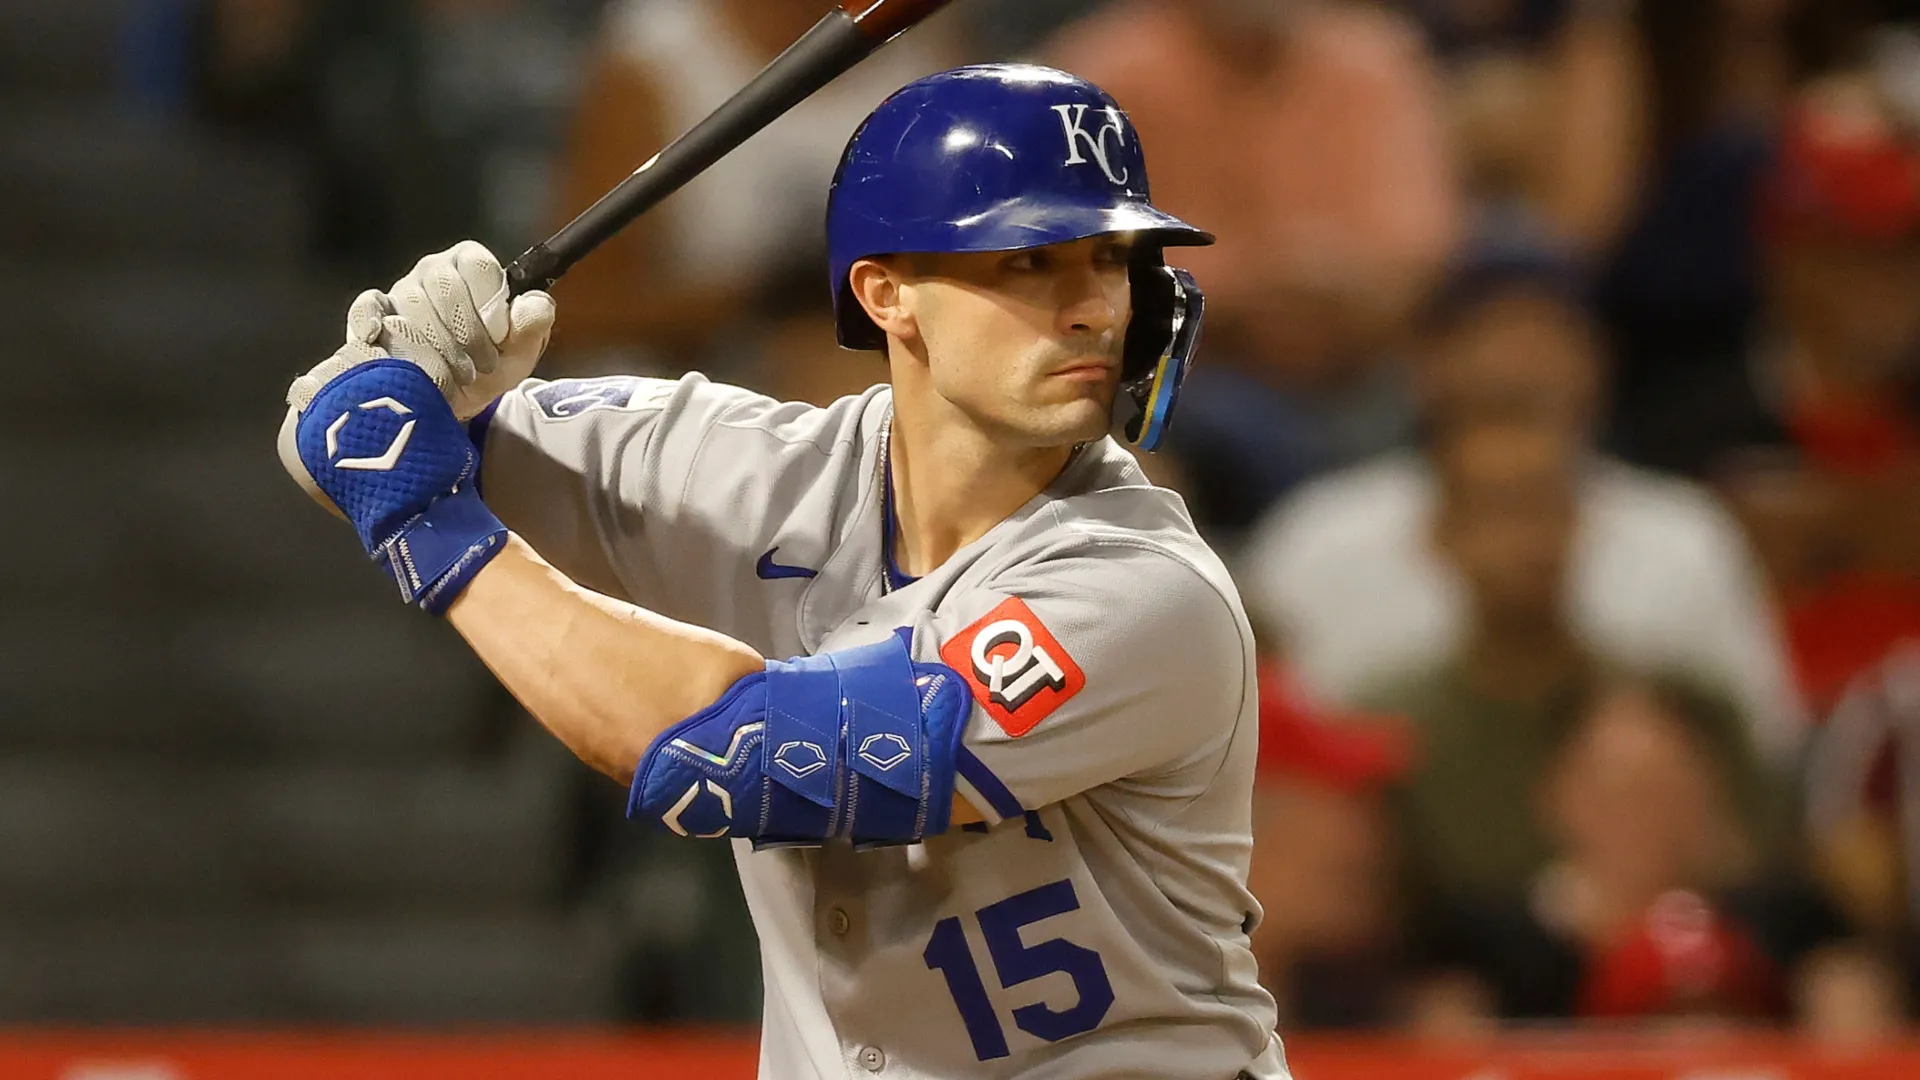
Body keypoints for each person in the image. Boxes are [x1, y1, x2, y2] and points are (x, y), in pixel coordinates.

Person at [273, 65, 1284, 1079]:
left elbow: (735, 760)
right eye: (1027, 262)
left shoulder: (1146, 589)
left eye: (1111, 261)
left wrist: (435, 527)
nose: (1092, 310)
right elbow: (347, 452)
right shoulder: (756, 465)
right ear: (887, 292)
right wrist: (405, 376)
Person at [1240, 237, 1804, 762]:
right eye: (1490, 333)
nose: (1518, 362)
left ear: (1597, 362)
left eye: (1548, 334)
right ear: (1425, 365)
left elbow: (1763, 746)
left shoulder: (1683, 538)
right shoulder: (1317, 537)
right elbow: (1251, 749)